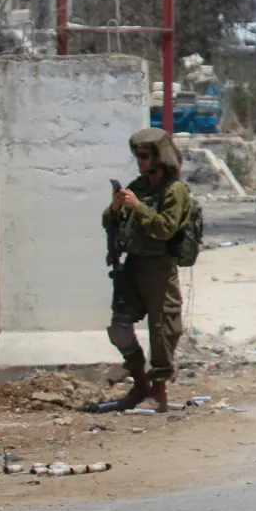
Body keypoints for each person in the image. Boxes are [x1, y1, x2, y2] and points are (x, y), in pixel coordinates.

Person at [99, 128, 191, 412]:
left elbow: (165, 228)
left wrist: (138, 207)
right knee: (119, 328)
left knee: (162, 329)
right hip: (134, 265)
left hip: (160, 267)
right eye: (137, 156)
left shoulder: (175, 190)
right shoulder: (138, 186)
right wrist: (115, 208)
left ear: (159, 157)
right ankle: (139, 383)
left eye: (144, 156)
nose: (139, 161)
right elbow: (108, 222)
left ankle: (158, 390)